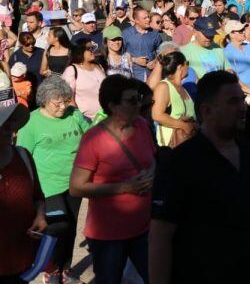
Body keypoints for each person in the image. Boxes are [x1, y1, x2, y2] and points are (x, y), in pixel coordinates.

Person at [149, 71, 250, 284]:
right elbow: (160, 237)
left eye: (241, 100)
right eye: (233, 101)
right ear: (207, 111)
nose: (243, 107)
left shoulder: (245, 151)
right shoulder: (181, 162)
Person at [69, 75, 156, 284]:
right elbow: (76, 187)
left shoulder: (142, 125)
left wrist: (152, 173)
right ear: (113, 105)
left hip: (143, 226)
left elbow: (152, 158)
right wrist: (124, 187)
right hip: (108, 235)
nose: (139, 104)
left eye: (139, 98)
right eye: (132, 100)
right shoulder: (93, 139)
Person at [16, 77, 89, 283]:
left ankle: (64, 269)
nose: (63, 106)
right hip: (48, 186)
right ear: (44, 100)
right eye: (58, 102)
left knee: (72, 227)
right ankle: (49, 269)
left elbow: (90, 135)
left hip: (75, 183)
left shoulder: (73, 114)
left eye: (66, 100)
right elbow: (23, 157)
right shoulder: (30, 123)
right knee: (58, 226)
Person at [0, 100, 47, 284]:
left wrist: (40, 215)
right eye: (3, 123)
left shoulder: (23, 156)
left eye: (11, 121)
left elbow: (38, 197)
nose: (9, 128)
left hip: (21, 259)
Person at [151, 51, 196, 148]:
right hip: (171, 147)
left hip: (188, 144)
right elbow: (157, 115)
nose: (188, 67)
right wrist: (183, 126)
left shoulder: (183, 88)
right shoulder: (164, 86)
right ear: (180, 67)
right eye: (187, 63)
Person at [63, 39, 107, 121]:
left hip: (107, 116)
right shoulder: (71, 70)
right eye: (89, 48)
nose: (92, 50)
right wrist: (80, 119)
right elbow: (69, 99)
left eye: (92, 48)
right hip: (87, 120)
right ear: (79, 51)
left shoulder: (99, 66)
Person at [222, 20, 250, 106]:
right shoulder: (227, 52)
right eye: (240, 31)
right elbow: (232, 78)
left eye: (243, 29)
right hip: (238, 97)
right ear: (231, 34)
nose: (244, 32)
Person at [122, 7, 162, 81]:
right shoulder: (126, 34)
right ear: (136, 20)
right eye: (145, 18)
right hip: (133, 76)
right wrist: (134, 60)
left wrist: (155, 61)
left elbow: (161, 52)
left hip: (152, 75)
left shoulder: (155, 34)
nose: (148, 20)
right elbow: (120, 54)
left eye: (148, 17)